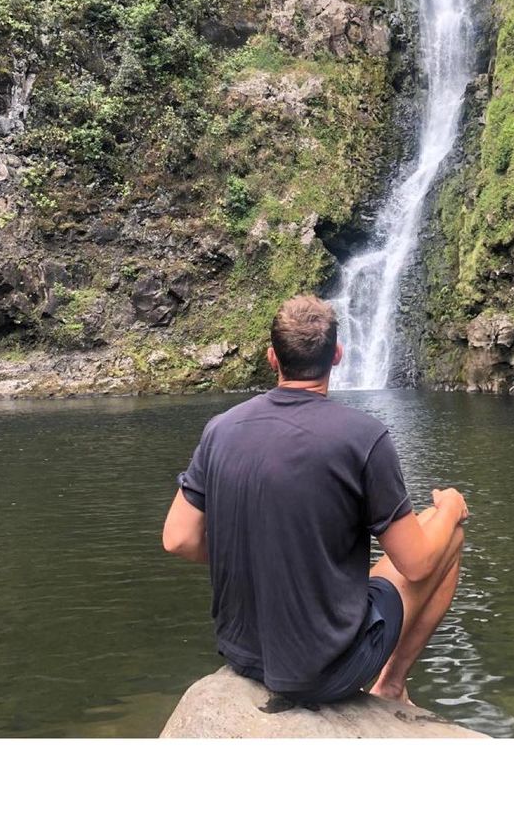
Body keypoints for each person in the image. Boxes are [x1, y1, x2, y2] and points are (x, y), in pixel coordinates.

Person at [161, 293, 468, 705]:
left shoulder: (221, 429)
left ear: (273, 357)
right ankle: (391, 684)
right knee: (447, 533)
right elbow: (417, 564)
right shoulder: (363, 437)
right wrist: (450, 507)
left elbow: (178, 538)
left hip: (242, 656)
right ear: (337, 355)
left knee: (425, 527)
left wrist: (258, 556)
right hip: (326, 671)